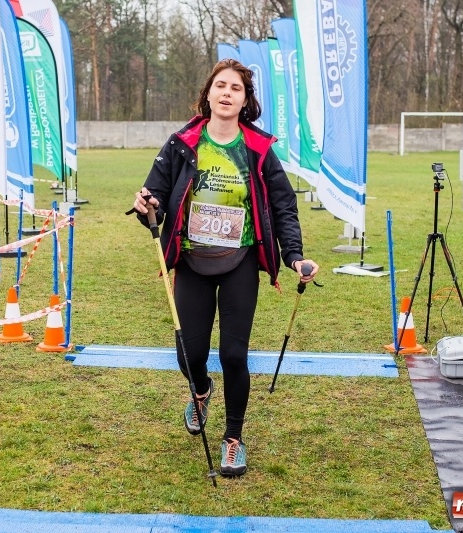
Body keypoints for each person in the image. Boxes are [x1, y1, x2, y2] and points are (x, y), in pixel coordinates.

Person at [132, 58, 318, 477]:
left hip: (240, 259)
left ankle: (233, 438)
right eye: (221, 85)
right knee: (190, 352)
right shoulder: (182, 142)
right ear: (209, 93)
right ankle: (200, 390)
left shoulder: (258, 149)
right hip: (193, 259)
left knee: (234, 354)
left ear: (245, 100)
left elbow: (284, 205)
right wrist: (147, 205)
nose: (228, 92)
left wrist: (294, 255)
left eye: (236, 87)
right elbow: (154, 197)